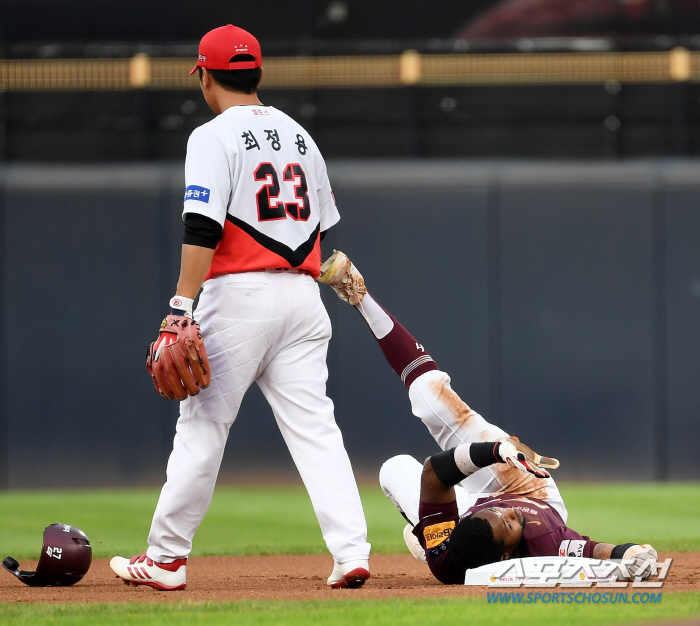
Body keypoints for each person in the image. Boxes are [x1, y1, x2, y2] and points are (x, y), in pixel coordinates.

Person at [109, 26, 370, 591]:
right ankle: (351, 553)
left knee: (202, 425)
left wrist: (180, 306)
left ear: (205, 75)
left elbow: (202, 226)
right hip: (304, 299)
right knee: (317, 430)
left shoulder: (211, 135)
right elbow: (321, 229)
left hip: (240, 297)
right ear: (257, 73)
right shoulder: (301, 135)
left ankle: (166, 558)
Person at [318, 250, 658, 585]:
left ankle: (356, 292)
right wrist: (631, 554)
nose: (509, 513)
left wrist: (495, 452)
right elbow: (595, 551)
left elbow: (435, 472)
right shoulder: (544, 538)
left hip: (473, 505)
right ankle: (428, 525)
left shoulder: (448, 555)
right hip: (531, 490)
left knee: (418, 418)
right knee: (429, 432)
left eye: (500, 516)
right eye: (508, 525)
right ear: (505, 556)